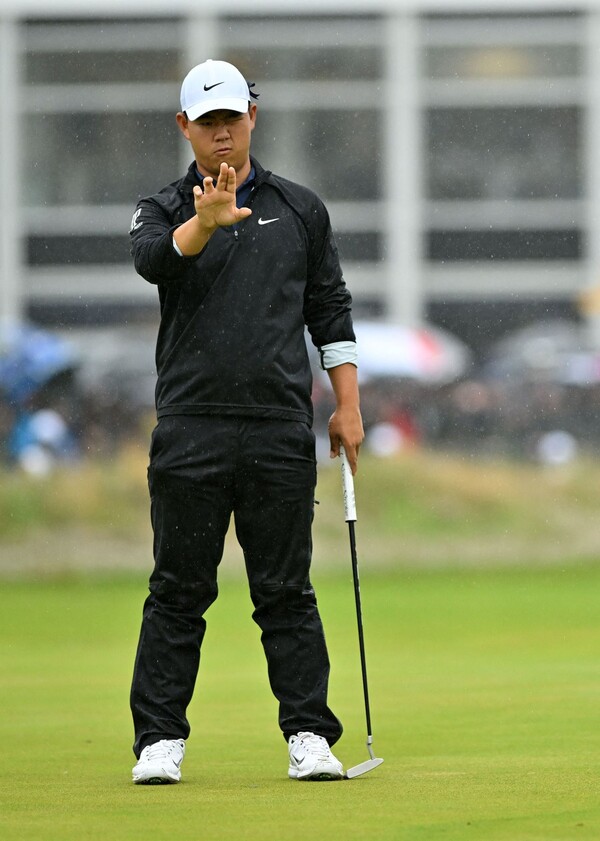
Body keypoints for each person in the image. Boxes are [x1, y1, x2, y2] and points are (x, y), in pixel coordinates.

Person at [129, 58, 364, 784]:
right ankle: (159, 741)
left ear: (251, 118)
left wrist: (349, 403)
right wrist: (202, 222)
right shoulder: (164, 207)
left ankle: (309, 736)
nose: (222, 134)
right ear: (185, 128)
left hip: (277, 427)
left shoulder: (300, 209)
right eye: (207, 123)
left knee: (286, 590)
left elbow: (330, 307)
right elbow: (152, 262)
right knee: (178, 589)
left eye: (232, 119)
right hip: (192, 426)